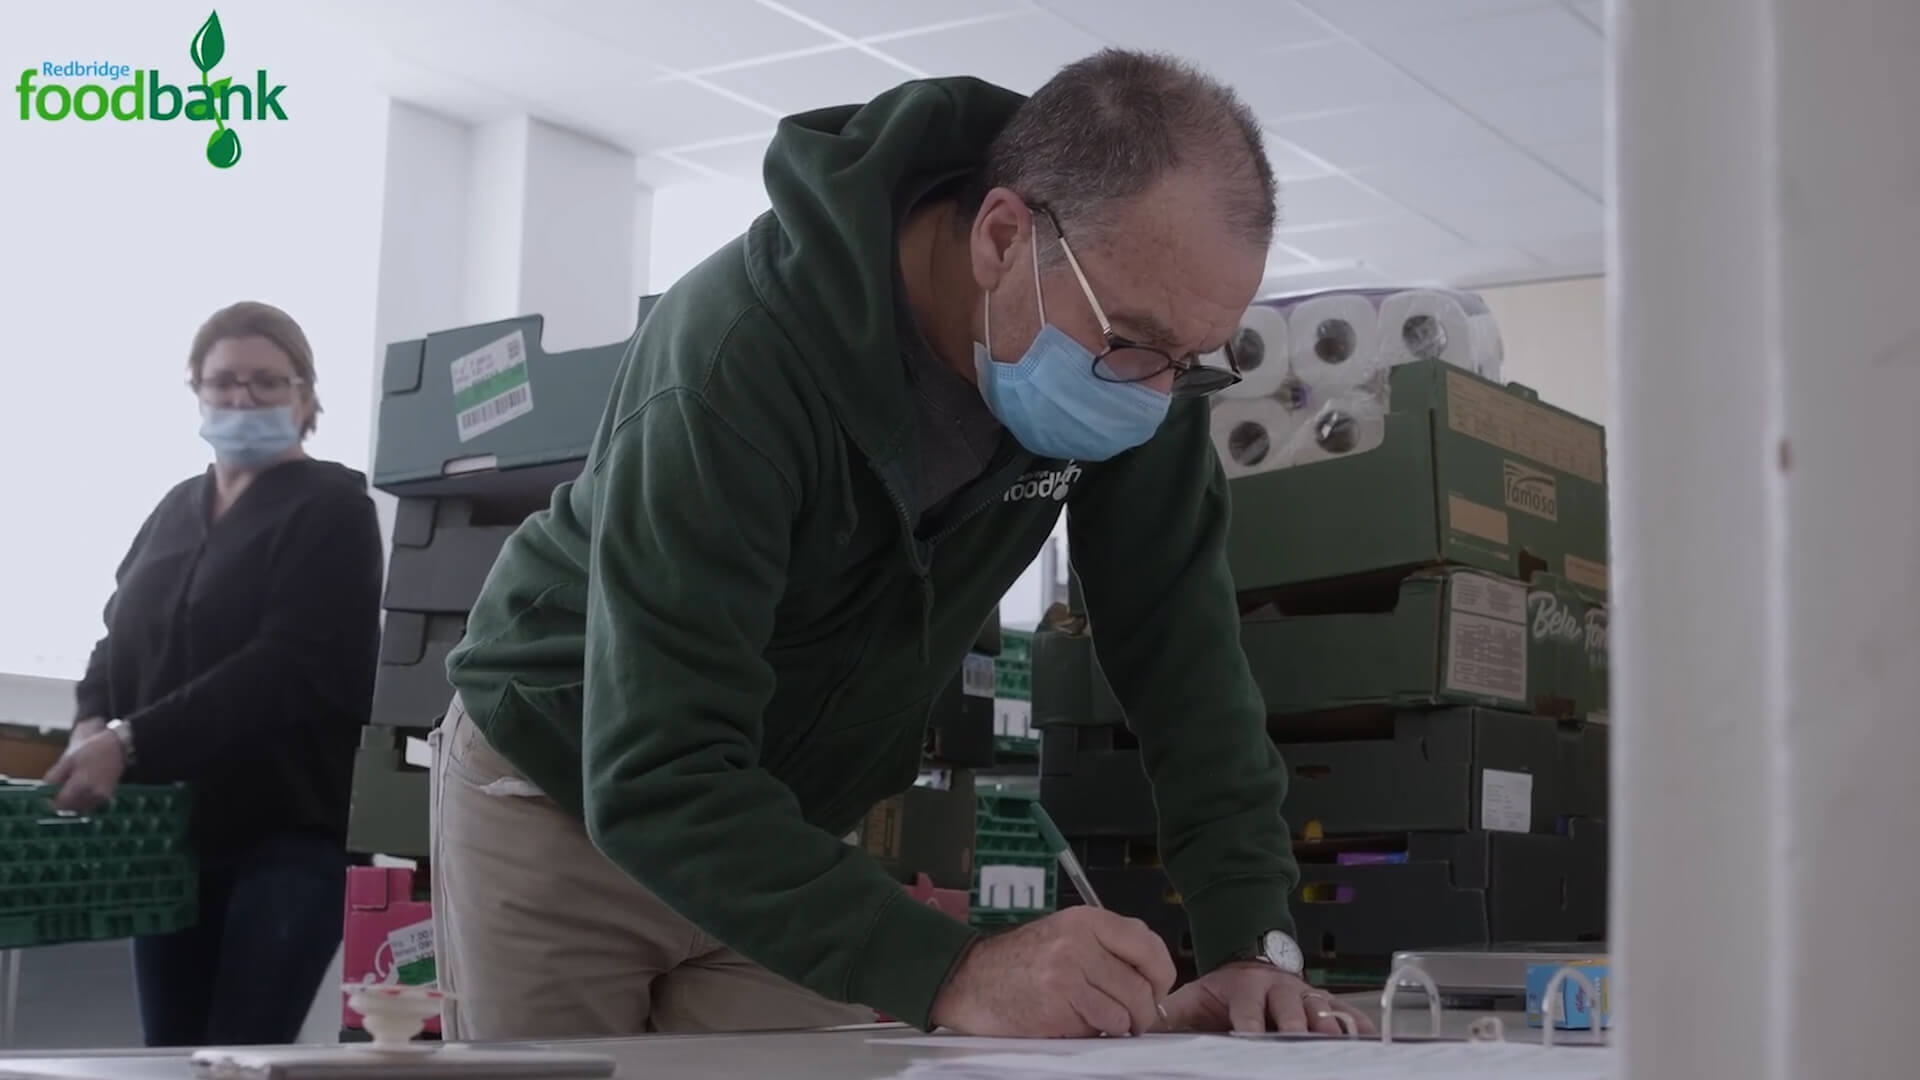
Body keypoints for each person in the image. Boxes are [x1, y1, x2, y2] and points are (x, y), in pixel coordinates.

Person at [432, 49, 1374, 1040]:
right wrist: (954, 969)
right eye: (1133, 341)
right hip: (565, 783)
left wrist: (1247, 939)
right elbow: (656, 767)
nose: (1152, 391)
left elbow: (1183, 654)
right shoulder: (736, 355)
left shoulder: (1143, 362)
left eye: (1188, 358)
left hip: (778, 831)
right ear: (1003, 235)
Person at [48, 301, 385, 1048]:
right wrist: (91, 720)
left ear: (305, 396)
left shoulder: (334, 507)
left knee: (240, 1060)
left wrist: (130, 743)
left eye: (268, 381)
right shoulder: (174, 508)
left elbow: (286, 666)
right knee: (170, 1057)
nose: (243, 397)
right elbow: (117, 636)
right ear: (196, 390)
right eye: (224, 380)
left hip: (287, 840)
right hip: (169, 840)